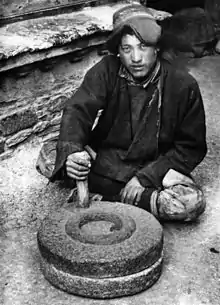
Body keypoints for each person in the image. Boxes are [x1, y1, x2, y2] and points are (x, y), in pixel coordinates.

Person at [49, 3, 207, 221]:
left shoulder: (183, 85)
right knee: (50, 155)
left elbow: (191, 148)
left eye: (143, 47)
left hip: (156, 163)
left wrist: (145, 178)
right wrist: (73, 153)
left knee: (189, 203)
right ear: (118, 52)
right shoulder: (106, 69)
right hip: (109, 159)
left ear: (157, 48)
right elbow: (78, 109)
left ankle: (108, 196)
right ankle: (129, 198)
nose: (136, 58)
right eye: (127, 48)